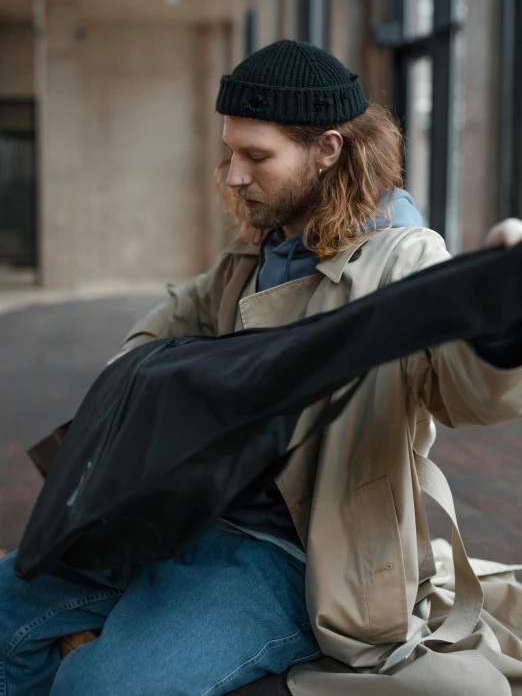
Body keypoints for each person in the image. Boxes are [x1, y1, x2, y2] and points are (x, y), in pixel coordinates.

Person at [1, 39, 522, 696]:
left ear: (327, 149)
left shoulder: (402, 264)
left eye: (255, 156)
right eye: (229, 152)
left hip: (294, 558)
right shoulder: (257, 254)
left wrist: (502, 312)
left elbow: (468, 386)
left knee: (99, 687)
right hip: (180, 516)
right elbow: (152, 340)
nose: (232, 175)